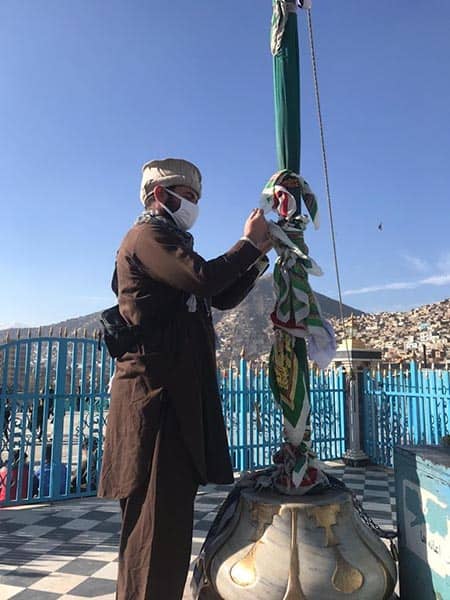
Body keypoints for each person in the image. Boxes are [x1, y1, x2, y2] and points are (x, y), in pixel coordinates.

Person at [98, 158, 272, 600]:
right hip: (154, 406)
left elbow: (220, 293)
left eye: (196, 198)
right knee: (154, 534)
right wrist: (246, 244)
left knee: (168, 527)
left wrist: (257, 255)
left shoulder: (171, 240)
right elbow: (203, 279)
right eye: (187, 197)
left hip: (174, 403)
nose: (194, 206)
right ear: (160, 196)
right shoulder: (149, 235)